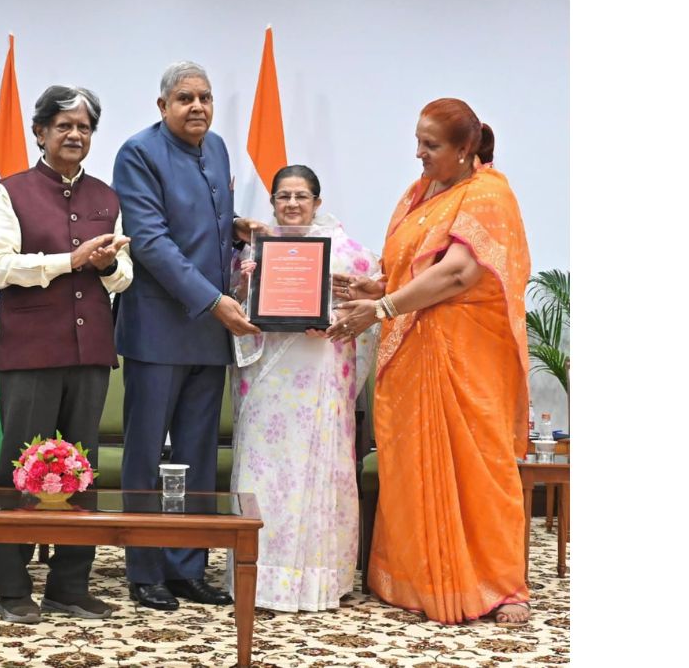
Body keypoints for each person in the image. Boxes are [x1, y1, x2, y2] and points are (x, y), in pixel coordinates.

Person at [326, 98, 532, 625]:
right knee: (412, 466)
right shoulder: (421, 193)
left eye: (431, 145)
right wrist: (378, 286)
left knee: (479, 467)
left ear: (465, 149)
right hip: (413, 349)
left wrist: (383, 306)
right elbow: (414, 267)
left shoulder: (488, 194)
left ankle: (501, 585)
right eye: (417, 141)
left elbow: (460, 273)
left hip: (466, 355)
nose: (418, 153)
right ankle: (421, 578)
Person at [112, 60, 262, 611]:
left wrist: (239, 227)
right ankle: (145, 568)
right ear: (162, 107)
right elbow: (150, 241)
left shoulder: (218, 147)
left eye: (205, 96)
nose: (197, 106)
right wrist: (214, 301)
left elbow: (205, 221)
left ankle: (186, 566)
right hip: (158, 329)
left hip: (208, 332)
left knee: (199, 453)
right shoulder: (138, 153)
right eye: (184, 98)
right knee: (146, 454)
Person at [0, 85, 132, 624]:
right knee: (22, 468)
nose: (75, 135)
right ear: (39, 132)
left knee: (81, 469)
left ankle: (70, 585)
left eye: (84, 127)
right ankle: (12, 587)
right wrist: (70, 259)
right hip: (31, 351)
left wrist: (107, 265)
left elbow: (123, 277)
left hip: (90, 351)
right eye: (64, 126)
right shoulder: (12, 191)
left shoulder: (107, 196)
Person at [226, 165, 379, 612]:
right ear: (272, 202)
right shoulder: (254, 248)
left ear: (317, 201)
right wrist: (247, 282)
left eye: (301, 196)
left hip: (319, 371)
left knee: (317, 465)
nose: (292, 204)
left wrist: (331, 320)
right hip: (269, 376)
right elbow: (235, 307)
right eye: (283, 196)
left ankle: (320, 578)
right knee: (266, 468)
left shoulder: (348, 252)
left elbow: (366, 304)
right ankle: (261, 577)